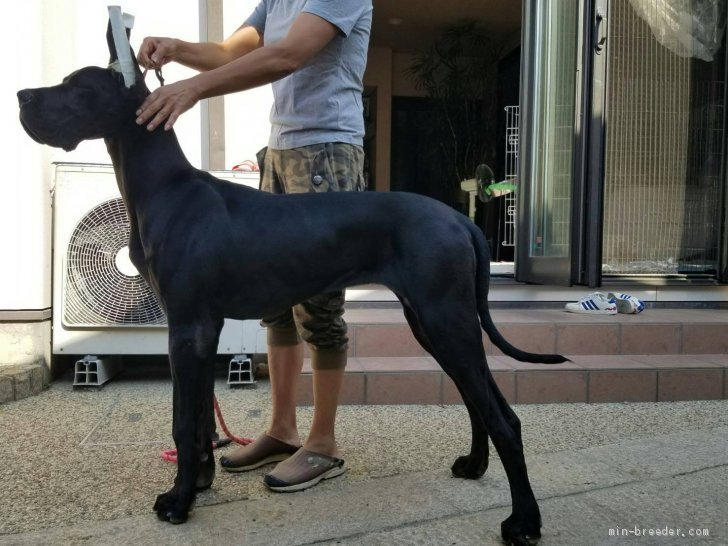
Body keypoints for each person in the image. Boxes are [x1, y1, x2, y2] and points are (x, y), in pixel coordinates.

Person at [136, 0, 373, 492]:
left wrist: (193, 89)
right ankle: (283, 430)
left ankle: (323, 443)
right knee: (277, 305)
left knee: (319, 306)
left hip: (327, 150)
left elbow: (288, 55)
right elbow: (228, 52)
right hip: (280, 150)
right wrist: (177, 50)